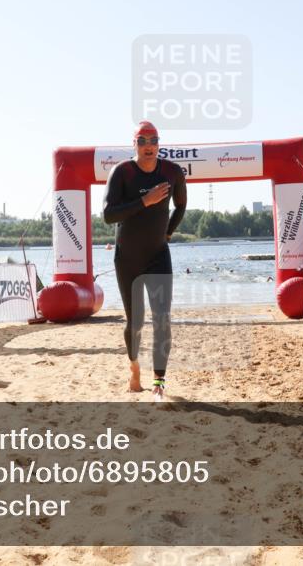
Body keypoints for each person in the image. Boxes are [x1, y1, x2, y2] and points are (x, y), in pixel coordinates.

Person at [104, 121, 187, 401]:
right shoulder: (122, 172)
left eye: (153, 140)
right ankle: (134, 368)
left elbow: (182, 205)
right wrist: (145, 202)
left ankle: (159, 383)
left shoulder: (172, 172)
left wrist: (169, 232)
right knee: (135, 322)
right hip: (127, 259)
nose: (148, 145)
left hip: (158, 256)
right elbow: (108, 215)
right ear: (134, 145)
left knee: (162, 319)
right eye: (142, 141)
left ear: (159, 144)